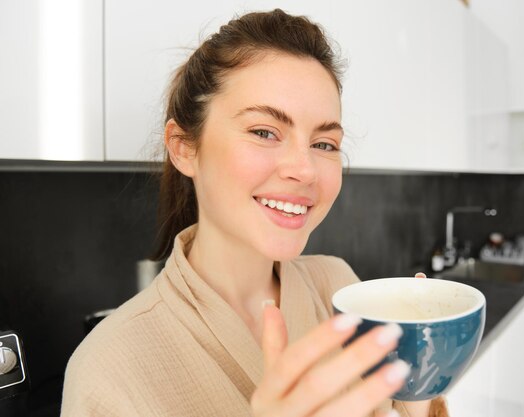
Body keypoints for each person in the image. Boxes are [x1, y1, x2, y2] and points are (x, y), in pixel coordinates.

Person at [61, 9, 449, 417]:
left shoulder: (337, 286)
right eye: (264, 132)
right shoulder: (106, 371)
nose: (304, 169)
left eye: (324, 144)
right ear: (183, 147)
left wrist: (415, 387)